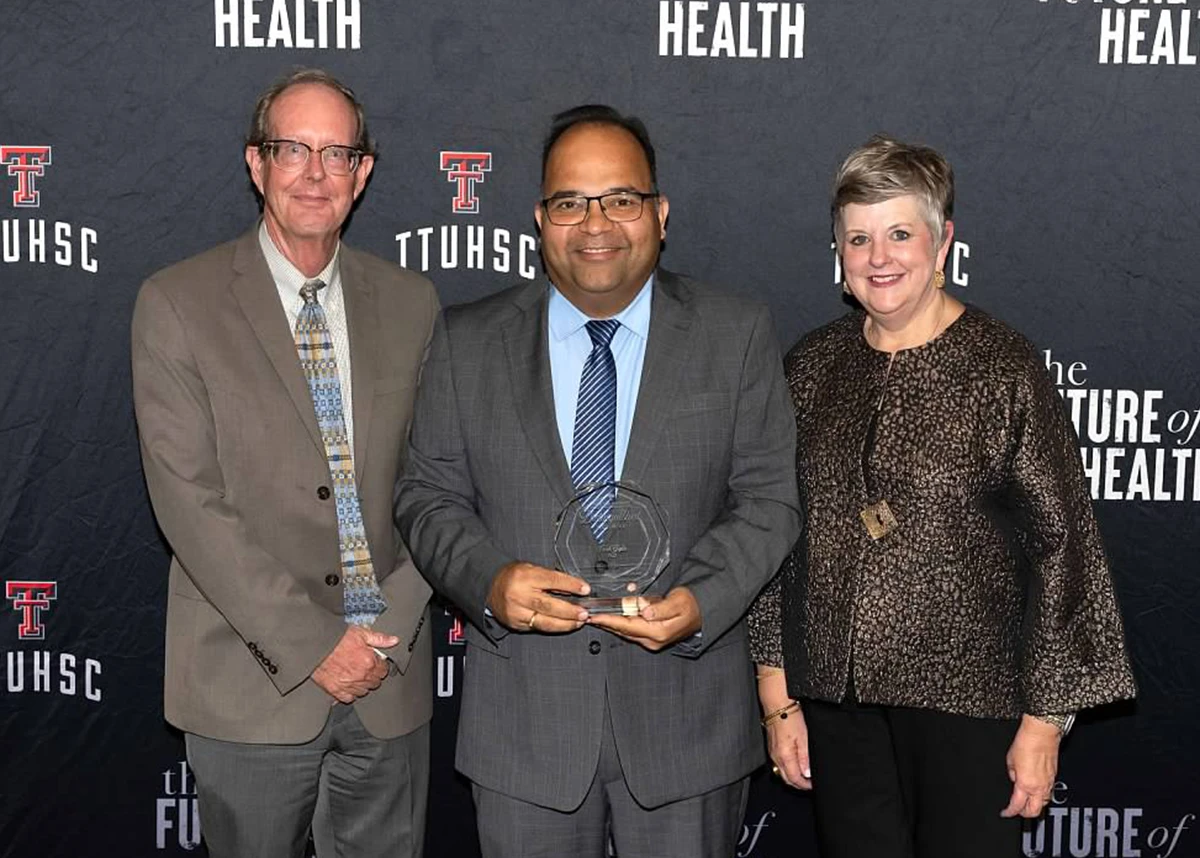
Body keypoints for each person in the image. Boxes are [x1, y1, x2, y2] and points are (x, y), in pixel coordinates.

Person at [395, 104, 801, 858]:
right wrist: (489, 581)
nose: (596, 224)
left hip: (688, 726)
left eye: (621, 198)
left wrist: (701, 602)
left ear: (660, 211)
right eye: (570, 202)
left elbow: (770, 498)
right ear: (540, 218)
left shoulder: (734, 333)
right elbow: (426, 497)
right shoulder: (466, 340)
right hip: (526, 731)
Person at [748, 134, 1136, 858]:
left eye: (900, 233)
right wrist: (778, 695)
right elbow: (775, 533)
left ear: (943, 239)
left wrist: (1047, 720)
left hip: (973, 705)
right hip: (837, 704)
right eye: (858, 238)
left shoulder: (1003, 366)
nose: (879, 257)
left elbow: (1063, 544)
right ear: (838, 251)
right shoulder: (811, 366)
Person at [131, 69, 438, 858]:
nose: (314, 172)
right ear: (255, 163)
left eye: (336, 153)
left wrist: (386, 630)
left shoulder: (413, 305)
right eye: (291, 149)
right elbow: (188, 504)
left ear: (362, 173)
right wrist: (314, 645)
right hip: (249, 681)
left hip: (389, 679)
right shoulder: (177, 304)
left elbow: (441, 483)